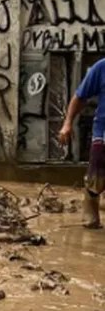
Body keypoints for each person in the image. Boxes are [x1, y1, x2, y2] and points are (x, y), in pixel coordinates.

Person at [58, 59, 105, 229]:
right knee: (96, 179)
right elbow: (80, 96)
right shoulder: (101, 67)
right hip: (103, 133)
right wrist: (67, 123)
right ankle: (91, 218)